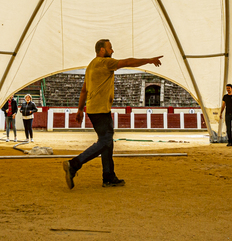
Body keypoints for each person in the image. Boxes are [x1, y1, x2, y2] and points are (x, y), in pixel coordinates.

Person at [64, 39, 162, 189]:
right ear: (102, 50)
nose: (113, 51)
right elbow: (127, 62)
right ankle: (74, 164)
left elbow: (84, 90)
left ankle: (108, 176)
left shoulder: (90, 66)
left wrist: (80, 109)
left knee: (107, 143)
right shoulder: (104, 62)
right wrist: (149, 60)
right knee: (105, 141)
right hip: (100, 109)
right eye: (110, 48)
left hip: (94, 109)